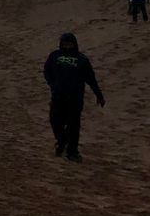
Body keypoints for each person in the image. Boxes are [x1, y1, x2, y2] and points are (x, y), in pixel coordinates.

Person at [43, 32, 105, 163]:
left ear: (74, 44)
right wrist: (52, 84)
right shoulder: (55, 56)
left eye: (69, 44)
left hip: (75, 98)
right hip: (58, 95)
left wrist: (99, 95)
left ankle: (72, 151)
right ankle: (62, 142)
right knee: (55, 120)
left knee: (73, 125)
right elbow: (47, 71)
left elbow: (91, 79)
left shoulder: (82, 59)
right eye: (65, 44)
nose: (67, 46)